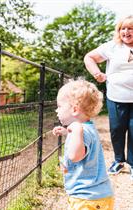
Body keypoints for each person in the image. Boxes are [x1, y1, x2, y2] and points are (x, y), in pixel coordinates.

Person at [84, 15, 133, 178]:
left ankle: (132, 164)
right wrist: (97, 73)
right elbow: (89, 57)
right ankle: (119, 161)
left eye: (130, 28)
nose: (126, 31)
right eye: (123, 28)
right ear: (118, 31)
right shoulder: (112, 47)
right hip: (116, 96)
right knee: (117, 129)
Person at [52, 79, 114, 210]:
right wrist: (68, 132)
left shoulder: (80, 130)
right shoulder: (87, 128)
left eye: (59, 106)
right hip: (96, 196)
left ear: (74, 109)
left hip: (86, 198)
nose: (56, 110)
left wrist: (76, 129)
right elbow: (83, 144)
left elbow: (75, 156)